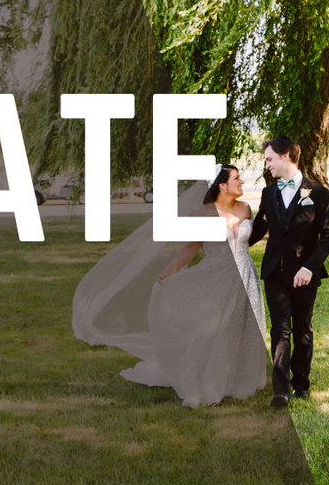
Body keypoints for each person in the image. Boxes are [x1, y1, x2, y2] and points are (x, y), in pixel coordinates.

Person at [114, 165, 268, 406]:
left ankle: (237, 376)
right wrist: (169, 271)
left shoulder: (246, 209)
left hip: (245, 276)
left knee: (242, 327)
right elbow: (191, 246)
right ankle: (207, 381)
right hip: (216, 275)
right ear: (222, 185)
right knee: (215, 329)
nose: (242, 182)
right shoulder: (203, 213)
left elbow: (248, 241)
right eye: (237, 178)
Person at [247, 137, 329, 408]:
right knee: (280, 330)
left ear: (286, 156)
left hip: (304, 274)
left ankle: (301, 385)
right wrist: (233, 245)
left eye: (269, 158)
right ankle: (281, 390)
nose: (267, 164)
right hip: (275, 270)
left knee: (302, 330)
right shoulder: (268, 193)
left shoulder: (318, 193)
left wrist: (310, 267)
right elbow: (259, 229)